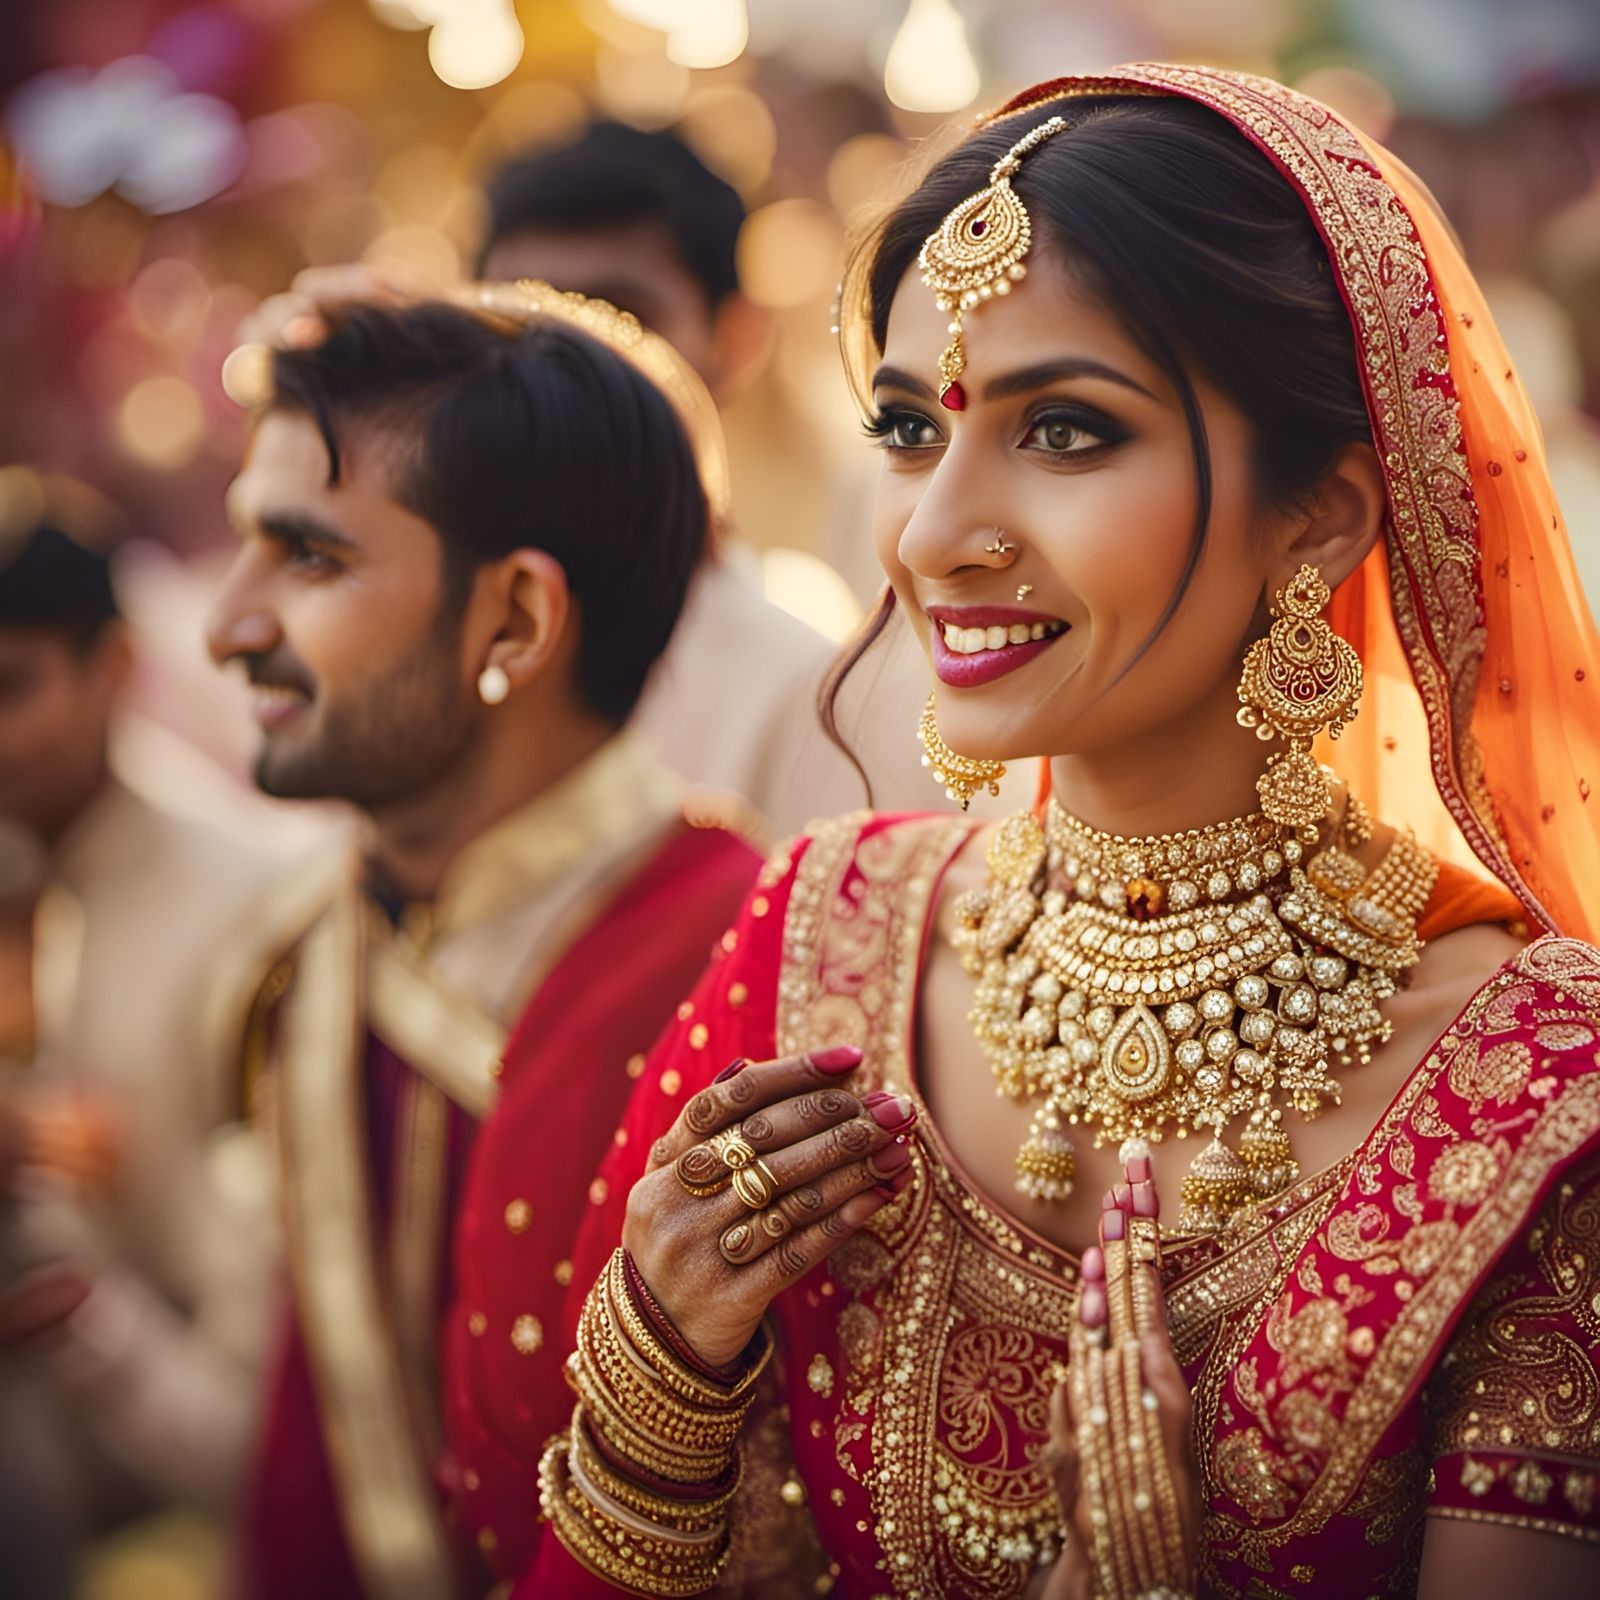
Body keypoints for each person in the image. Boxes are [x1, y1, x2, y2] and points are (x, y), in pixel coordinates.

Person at [447, 66, 1600, 1598]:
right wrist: (660, 1395)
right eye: (911, 427)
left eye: (1064, 431)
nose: (932, 535)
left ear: (1320, 515)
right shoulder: (813, 956)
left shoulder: (1534, 1110)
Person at [211, 282, 762, 1599]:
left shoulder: (745, 975)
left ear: (514, 620)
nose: (227, 626)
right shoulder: (321, 938)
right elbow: (315, 1459)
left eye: (310, 557)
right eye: (246, 548)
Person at [0, 507, 294, 1583]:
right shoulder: (37, 871)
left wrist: (71, 1308)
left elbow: (249, 1432)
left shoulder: (243, 907)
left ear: (116, 667)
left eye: (11, 686)